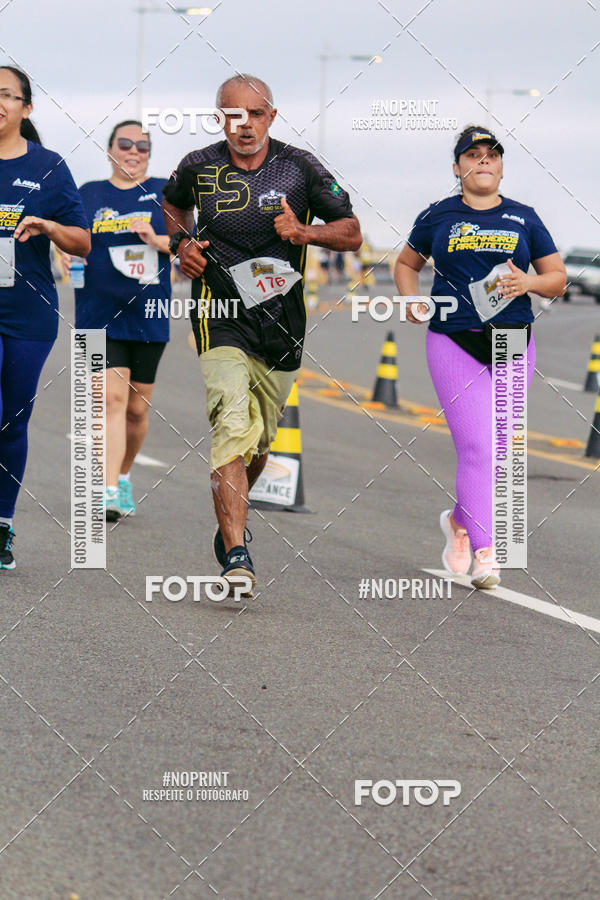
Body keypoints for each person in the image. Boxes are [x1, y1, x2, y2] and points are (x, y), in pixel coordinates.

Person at [162, 74, 362, 594]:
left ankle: (229, 509)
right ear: (219, 118)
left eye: (254, 113)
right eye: (232, 114)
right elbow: (171, 204)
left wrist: (305, 232)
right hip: (219, 310)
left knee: (258, 445)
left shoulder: (300, 168)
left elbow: (352, 230)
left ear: (271, 116)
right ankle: (235, 551)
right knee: (231, 420)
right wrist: (180, 245)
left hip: (282, 322)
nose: (243, 124)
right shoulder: (198, 166)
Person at [394, 125, 566, 589]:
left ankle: (457, 522)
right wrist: (411, 299)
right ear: (458, 168)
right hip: (454, 339)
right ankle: (487, 554)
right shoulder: (438, 216)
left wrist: (528, 283)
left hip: (513, 341)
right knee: (476, 447)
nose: (484, 160)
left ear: (502, 166)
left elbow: (557, 278)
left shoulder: (525, 218)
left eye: (492, 154)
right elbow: (406, 264)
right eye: (473, 154)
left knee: (499, 452)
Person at [0, 66, 89, 570]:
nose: (0, 102)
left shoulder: (49, 167)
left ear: (26, 108)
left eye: (8, 96)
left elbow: (84, 242)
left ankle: (2, 525)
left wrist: (50, 225)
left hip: (29, 313)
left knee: (12, 423)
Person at [64, 121, 171, 521]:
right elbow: (71, 238)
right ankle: (107, 489)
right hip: (96, 312)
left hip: (149, 313)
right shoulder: (89, 193)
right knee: (109, 399)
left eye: (142, 146)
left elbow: (188, 245)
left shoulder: (164, 193)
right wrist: (66, 253)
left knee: (137, 410)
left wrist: (155, 240)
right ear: (109, 149)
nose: (134, 151)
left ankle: (123, 475)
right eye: (125, 144)